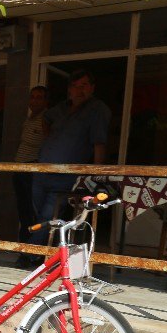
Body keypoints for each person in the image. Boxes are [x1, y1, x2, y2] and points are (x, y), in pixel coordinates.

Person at [27, 69, 110, 252]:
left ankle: (30, 254)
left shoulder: (97, 110)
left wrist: (96, 175)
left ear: (92, 88)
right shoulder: (62, 107)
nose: (79, 90)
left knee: (48, 215)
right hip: (42, 171)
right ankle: (45, 253)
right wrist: (50, 139)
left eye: (84, 86)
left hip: (66, 176)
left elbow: (99, 143)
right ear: (69, 89)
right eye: (75, 86)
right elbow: (46, 118)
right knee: (39, 215)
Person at [13, 86, 49, 268]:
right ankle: (24, 252)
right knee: (23, 214)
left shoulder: (45, 119)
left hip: (32, 172)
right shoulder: (29, 120)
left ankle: (32, 255)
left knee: (32, 214)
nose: (35, 101)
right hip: (20, 171)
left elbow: (47, 143)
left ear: (45, 101)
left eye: (39, 98)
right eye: (32, 97)